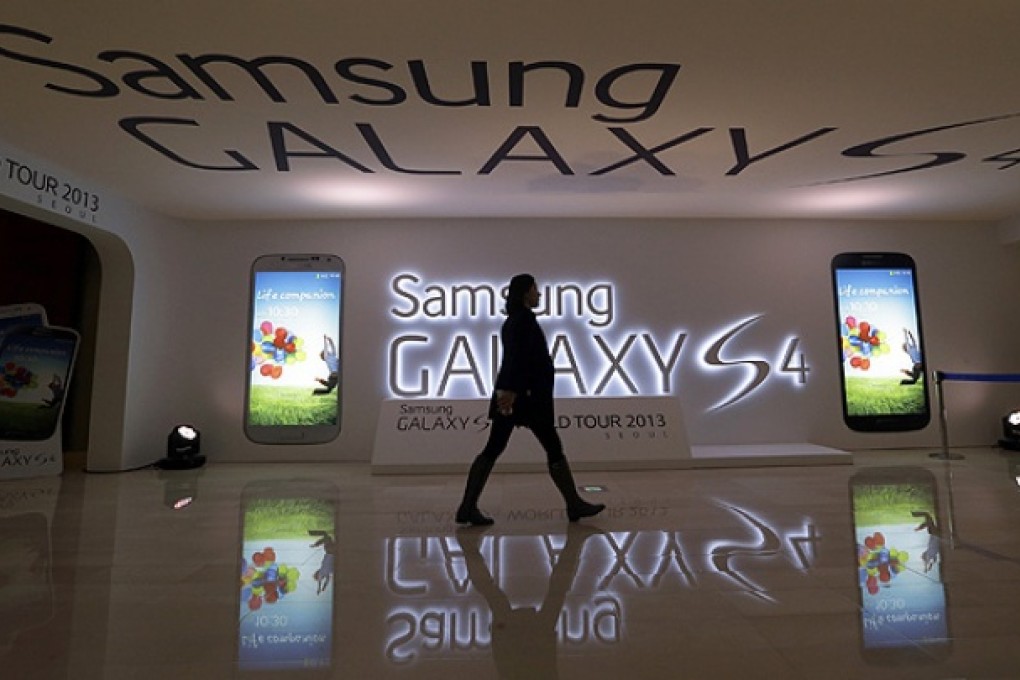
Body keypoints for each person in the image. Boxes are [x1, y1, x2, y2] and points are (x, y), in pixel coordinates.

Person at [456, 274, 605, 525]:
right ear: (525, 292)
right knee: (551, 447)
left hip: (516, 396)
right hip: (526, 398)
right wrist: (512, 392)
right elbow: (519, 358)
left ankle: (468, 507)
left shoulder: (515, 320)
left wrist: (508, 391)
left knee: (495, 448)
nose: (539, 294)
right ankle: (574, 504)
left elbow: (515, 358)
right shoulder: (523, 320)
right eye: (536, 289)